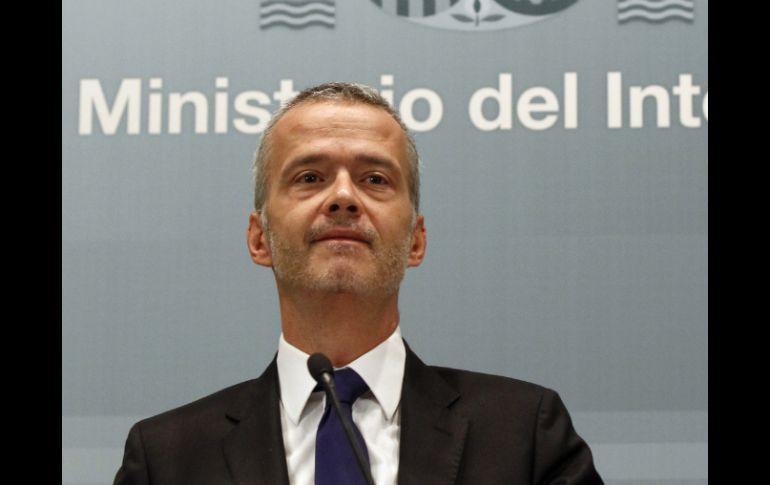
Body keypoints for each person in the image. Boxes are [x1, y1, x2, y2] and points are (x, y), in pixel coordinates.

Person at [114, 82, 604, 485]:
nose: (344, 197)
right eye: (310, 177)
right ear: (259, 239)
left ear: (415, 241)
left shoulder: (525, 434)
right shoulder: (167, 459)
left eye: (374, 179)